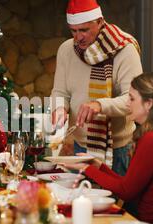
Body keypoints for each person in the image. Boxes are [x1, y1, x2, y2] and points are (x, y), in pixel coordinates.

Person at [61, 72, 153, 224]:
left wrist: (87, 169)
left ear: (149, 103)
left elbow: (126, 191)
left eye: (131, 98)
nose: (127, 104)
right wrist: (98, 165)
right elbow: (129, 184)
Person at [50, 0, 143, 176]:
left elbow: (133, 100)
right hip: (80, 146)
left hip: (118, 149)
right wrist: (60, 108)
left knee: (115, 202)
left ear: (100, 21)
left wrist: (99, 105)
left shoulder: (124, 50)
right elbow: (60, 91)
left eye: (84, 30)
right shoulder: (66, 50)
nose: (78, 37)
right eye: (73, 31)